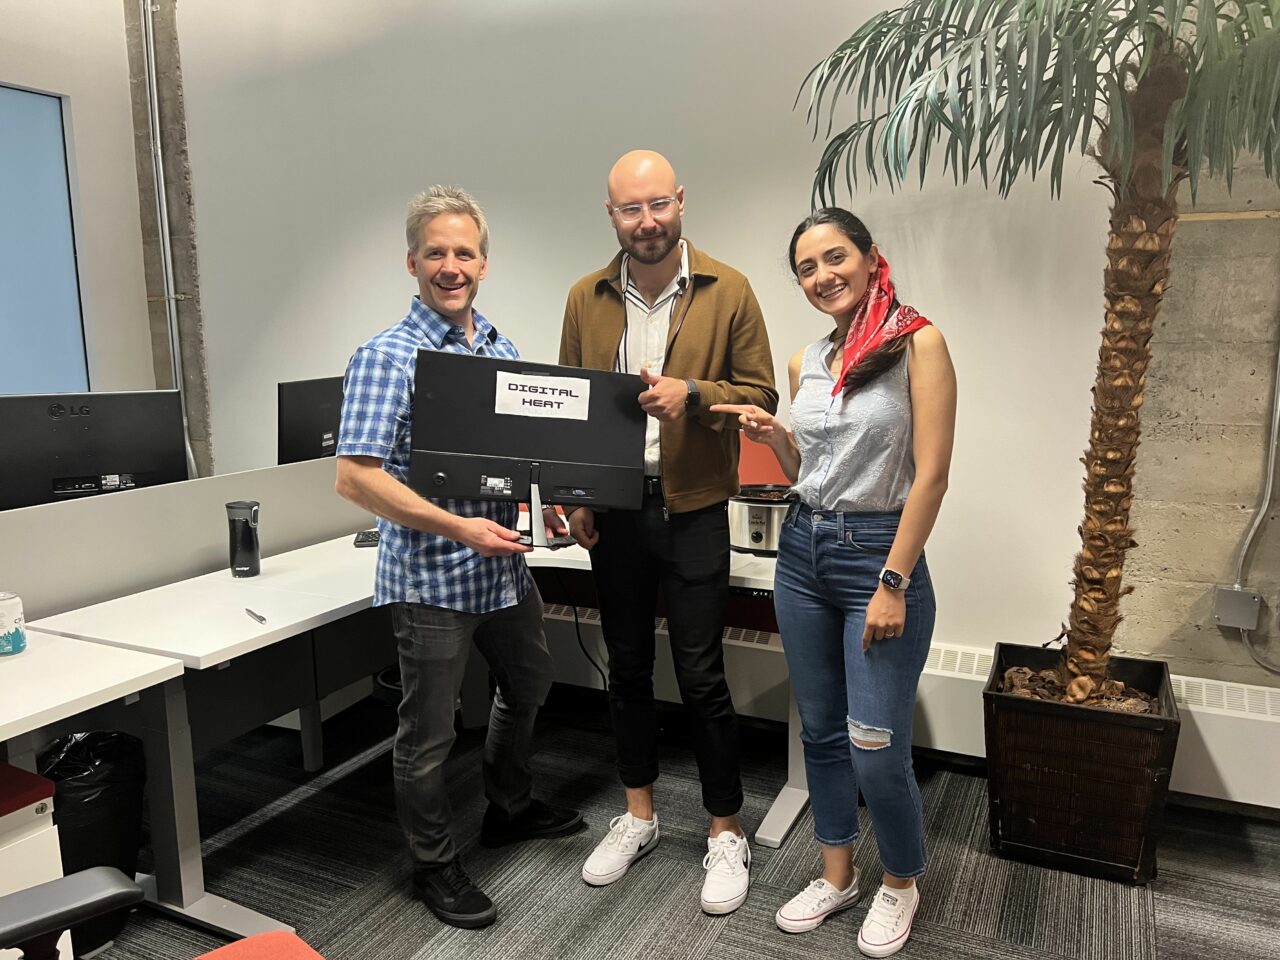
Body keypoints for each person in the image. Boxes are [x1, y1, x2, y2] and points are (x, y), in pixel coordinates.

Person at [334, 185, 583, 930]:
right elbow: (356, 477)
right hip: (430, 577)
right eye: (436, 252)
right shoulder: (385, 358)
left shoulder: (500, 350)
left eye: (464, 252)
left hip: (501, 567)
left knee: (531, 682)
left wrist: (554, 508)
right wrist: (459, 528)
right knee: (430, 733)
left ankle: (507, 806)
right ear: (412, 262)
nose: (451, 265)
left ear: (483, 262)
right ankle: (433, 865)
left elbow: (518, 461)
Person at [711, 208, 956, 957]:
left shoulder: (920, 343)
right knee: (818, 731)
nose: (823, 276)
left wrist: (894, 579)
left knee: (875, 742)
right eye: (807, 268)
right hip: (803, 553)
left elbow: (932, 476)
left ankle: (900, 882)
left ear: (869, 256)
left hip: (879, 555)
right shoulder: (805, 362)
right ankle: (838, 873)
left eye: (834, 257)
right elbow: (807, 475)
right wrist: (778, 440)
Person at [558, 149, 778, 915]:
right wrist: (575, 495)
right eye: (629, 209)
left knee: (702, 675)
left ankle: (725, 831)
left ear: (680, 201)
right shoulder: (586, 297)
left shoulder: (730, 290)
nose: (645, 222)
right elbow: (574, 404)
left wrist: (696, 395)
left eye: (657, 205)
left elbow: (759, 393)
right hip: (613, 512)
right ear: (611, 214)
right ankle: (639, 815)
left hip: (693, 510)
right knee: (624, 670)